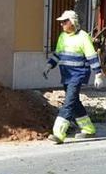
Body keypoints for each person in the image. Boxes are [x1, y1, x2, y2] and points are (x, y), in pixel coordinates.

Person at [43, 10, 101, 144]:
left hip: (78, 75)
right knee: (75, 103)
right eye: (61, 22)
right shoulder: (62, 36)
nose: (62, 24)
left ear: (72, 22)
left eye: (64, 21)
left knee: (68, 103)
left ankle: (58, 133)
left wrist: (98, 73)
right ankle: (88, 129)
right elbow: (58, 54)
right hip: (66, 75)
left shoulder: (83, 36)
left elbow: (91, 56)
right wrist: (48, 66)